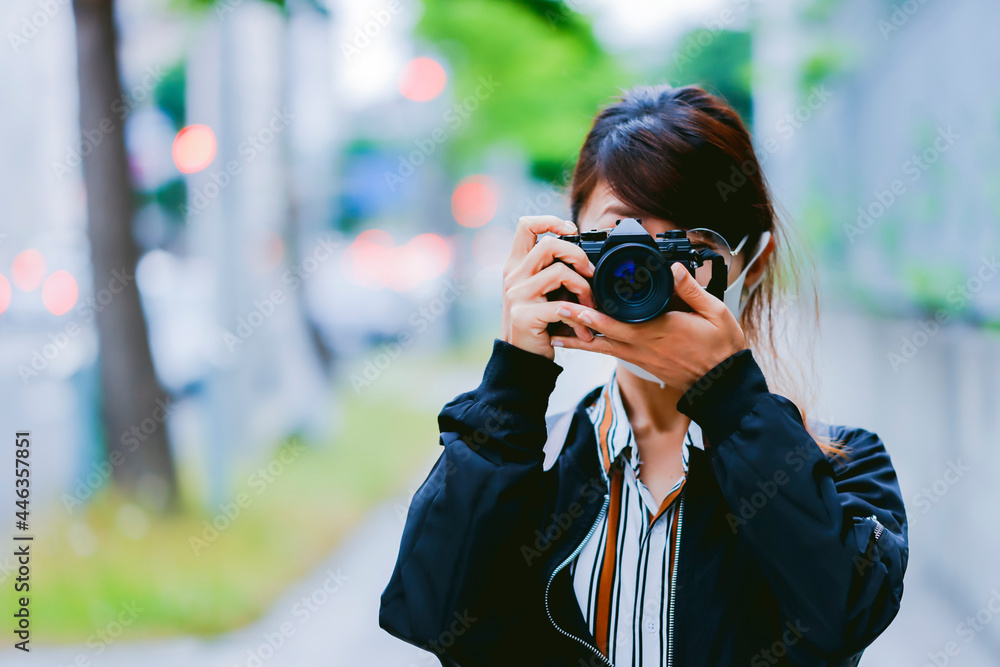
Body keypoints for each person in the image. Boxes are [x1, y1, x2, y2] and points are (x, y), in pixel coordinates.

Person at [379, 84, 908, 666]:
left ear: (750, 263)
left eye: (687, 243)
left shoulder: (840, 466)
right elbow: (429, 615)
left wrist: (731, 400)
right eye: (619, 238)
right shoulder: (532, 458)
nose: (646, 271)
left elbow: (844, 621)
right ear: (568, 243)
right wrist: (514, 383)